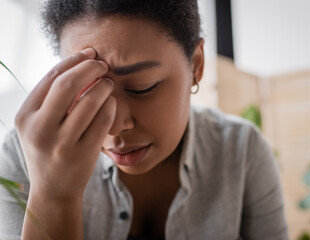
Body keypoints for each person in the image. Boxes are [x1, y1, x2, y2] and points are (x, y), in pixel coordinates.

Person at [0, 0, 289, 239]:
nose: (113, 126)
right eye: (89, 91)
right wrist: (54, 195)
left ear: (196, 65)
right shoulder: (25, 154)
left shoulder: (242, 150)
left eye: (143, 87)